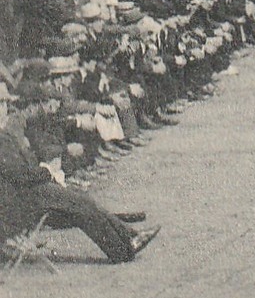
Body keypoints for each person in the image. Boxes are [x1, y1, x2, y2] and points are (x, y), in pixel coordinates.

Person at [0, 68, 159, 264]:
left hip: (28, 194)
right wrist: (46, 171)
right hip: (20, 204)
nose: (4, 108)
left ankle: (128, 239)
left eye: (6, 103)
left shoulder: (6, 132)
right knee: (82, 205)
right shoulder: (3, 138)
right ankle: (124, 245)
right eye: (1, 103)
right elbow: (18, 174)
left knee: (82, 204)